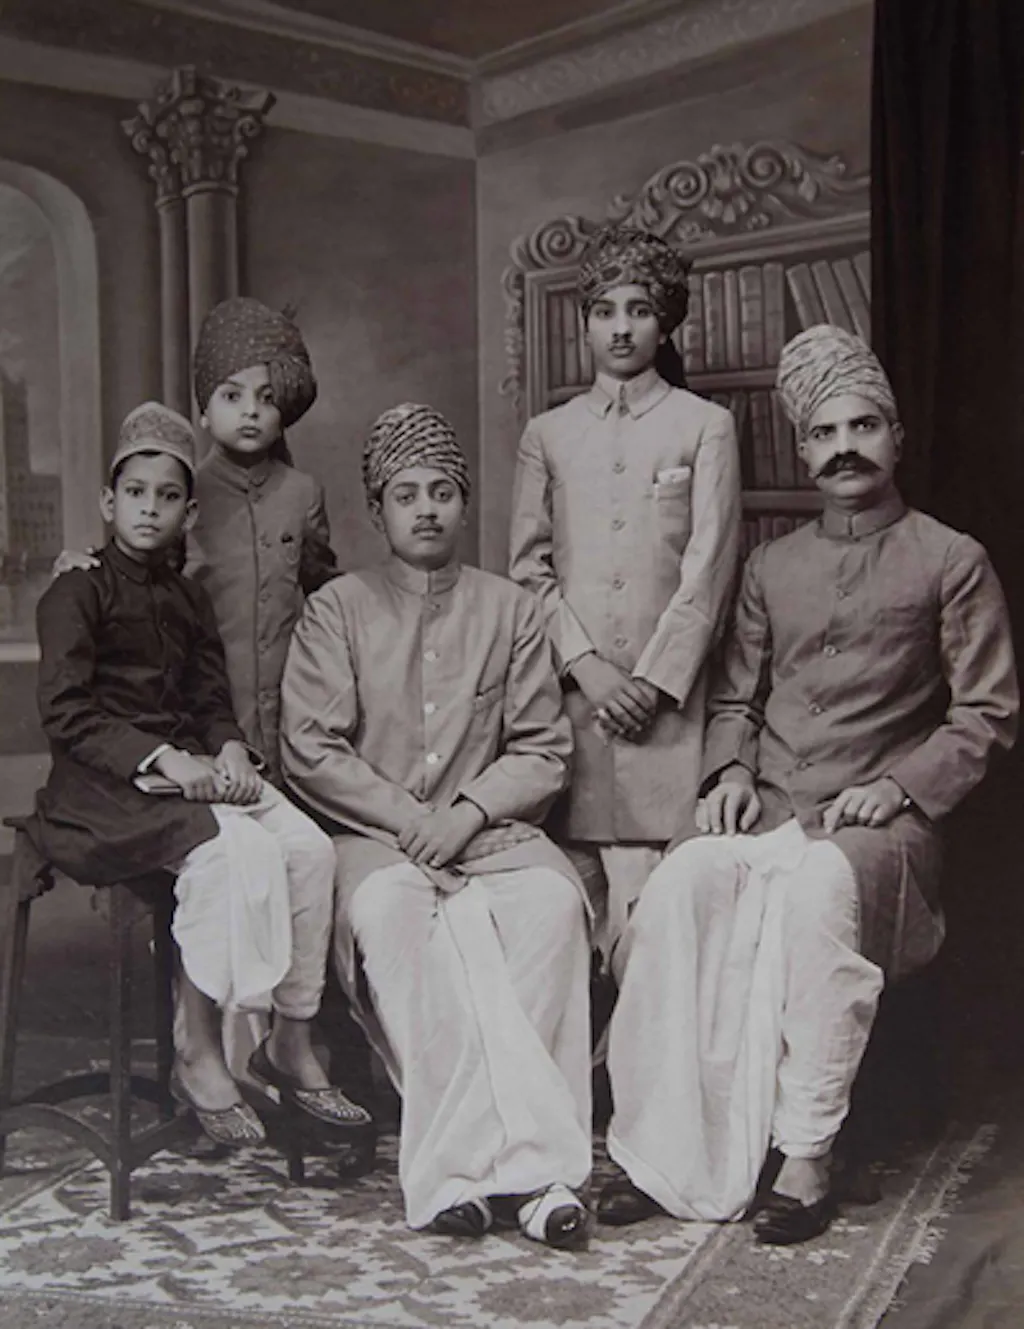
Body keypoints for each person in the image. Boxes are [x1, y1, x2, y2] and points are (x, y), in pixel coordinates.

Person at [597, 324, 1019, 1244]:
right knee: (677, 890)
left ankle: (807, 1150)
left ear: (896, 439)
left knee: (823, 887)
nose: (844, 450)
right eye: (824, 435)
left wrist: (901, 788)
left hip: (879, 829)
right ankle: (653, 1149)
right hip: (771, 809)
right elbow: (737, 700)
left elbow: (986, 713)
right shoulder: (770, 565)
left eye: (863, 427)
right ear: (803, 450)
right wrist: (730, 772)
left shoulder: (951, 559)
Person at [281, 403, 594, 1248]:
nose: (426, 508)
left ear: (464, 504)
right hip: (376, 842)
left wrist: (465, 813)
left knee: (551, 910)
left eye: (443, 491)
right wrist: (409, 820)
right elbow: (310, 745)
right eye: (406, 493)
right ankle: (497, 1173)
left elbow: (541, 749)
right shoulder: (337, 610)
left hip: (493, 837)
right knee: (390, 916)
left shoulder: (512, 609)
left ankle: (509, 1174)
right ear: (378, 510)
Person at [29, 403, 371, 1148]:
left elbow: (210, 695)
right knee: (227, 852)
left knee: (307, 849)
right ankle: (201, 1045)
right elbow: (65, 712)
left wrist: (228, 751)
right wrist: (164, 760)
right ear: (108, 503)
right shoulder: (77, 590)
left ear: (189, 511)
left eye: (168, 495)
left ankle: (290, 1034)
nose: (150, 508)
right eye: (137, 493)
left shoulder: (186, 598)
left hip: (190, 771)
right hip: (98, 785)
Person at [508, 223, 741, 972]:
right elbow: (527, 568)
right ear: (584, 322)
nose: (620, 327)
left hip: (666, 709)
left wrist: (651, 678)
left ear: (665, 321)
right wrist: (587, 667)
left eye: (638, 309)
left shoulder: (704, 426)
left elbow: (710, 566)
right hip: (571, 702)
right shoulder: (548, 434)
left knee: (655, 915)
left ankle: (639, 1076)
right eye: (604, 310)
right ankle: (582, 1077)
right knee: (567, 907)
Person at [54, 296, 338, 785]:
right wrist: (80, 565)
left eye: (266, 398)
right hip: (203, 703)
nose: (250, 412)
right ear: (204, 411)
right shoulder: (180, 491)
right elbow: (135, 570)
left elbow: (324, 590)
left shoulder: (303, 492)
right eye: (232, 396)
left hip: (293, 698)